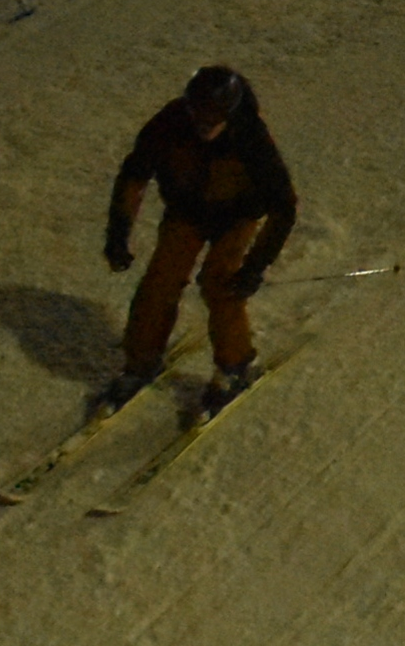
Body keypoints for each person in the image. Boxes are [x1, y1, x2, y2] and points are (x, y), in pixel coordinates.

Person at [98, 65, 297, 414]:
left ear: (229, 113)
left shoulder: (249, 137)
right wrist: (118, 234)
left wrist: (254, 266)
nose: (204, 125)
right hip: (187, 212)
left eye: (214, 117)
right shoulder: (169, 125)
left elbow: (283, 206)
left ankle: (234, 365)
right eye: (198, 114)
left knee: (221, 282)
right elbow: (134, 176)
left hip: (236, 217)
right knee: (160, 282)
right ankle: (140, 363)